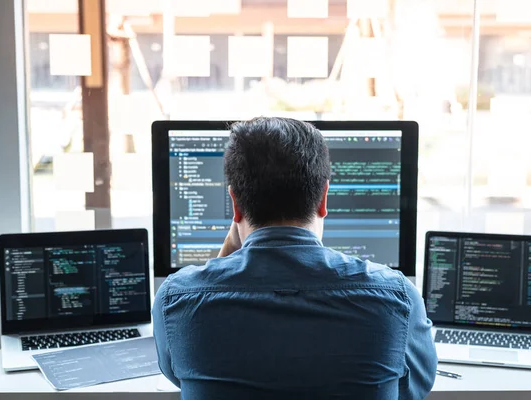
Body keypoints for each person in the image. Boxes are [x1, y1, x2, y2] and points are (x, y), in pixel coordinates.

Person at [153, 117, 437, 399]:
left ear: (235, 204)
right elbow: (412, 389)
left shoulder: (176, 301)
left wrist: (228, 249)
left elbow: (181, 372)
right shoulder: (396, 298)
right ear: (324, 198)